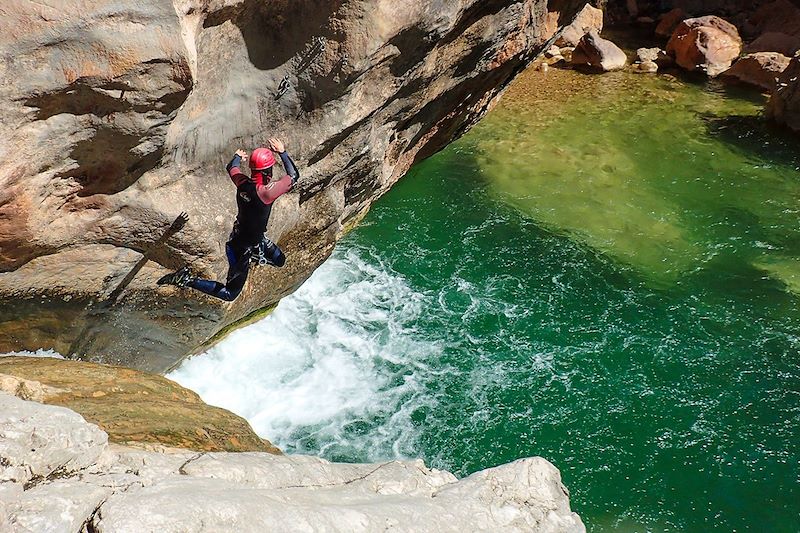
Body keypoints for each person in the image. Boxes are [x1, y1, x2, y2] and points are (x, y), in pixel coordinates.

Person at [157, 138, 299, 301]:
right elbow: (294, 175)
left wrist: (237, 156)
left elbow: (231, 167)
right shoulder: (266, 193)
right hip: (240, 250)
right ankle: (186, 280)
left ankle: (254, 254)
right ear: (268, 172)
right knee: (230, 294)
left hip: (248, 239)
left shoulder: (243, 183)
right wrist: (282, 152)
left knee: (280, 261)